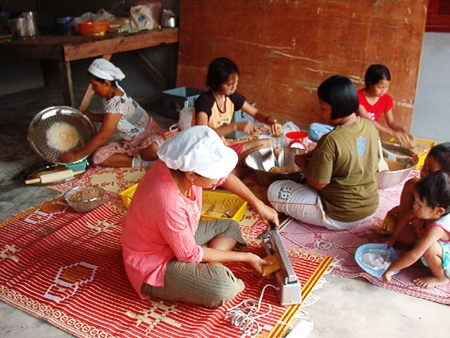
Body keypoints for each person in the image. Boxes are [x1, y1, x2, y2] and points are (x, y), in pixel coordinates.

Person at [121, 125, 280, 308]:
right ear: (192, 176)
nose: (217, 180)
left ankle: (207, 265)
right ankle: (208, 270)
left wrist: (258, 204)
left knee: (229, 226)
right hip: (154, 262)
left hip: (178, 238)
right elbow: (189, 254)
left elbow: (224, 177)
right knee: (222, 287)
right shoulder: (168, 201)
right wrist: (248, 258)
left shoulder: (178, 167)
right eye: (213, 175)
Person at [267, 75, 380, 230]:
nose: (321, 113)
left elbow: (318, 183)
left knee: (274, 189)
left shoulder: (332, 139)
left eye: (324, 108)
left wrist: (302, 163)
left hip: (341, 214)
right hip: (370, 206)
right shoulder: (369, 126)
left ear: (338, 107)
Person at [59, 58, 165, 168]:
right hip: (131, 142)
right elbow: (114, 119)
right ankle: (143, 163)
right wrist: (91, 116)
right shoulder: (111, 93)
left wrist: (78, 155)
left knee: (153, 149)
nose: (93, 89)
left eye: (95, 85)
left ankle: (145, 159)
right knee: (98, 157)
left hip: (149, 134)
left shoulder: (117, 103)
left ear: (106, 83)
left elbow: (102, 137)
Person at [195, 57, 283, 161]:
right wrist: (235, 126)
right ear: (216, 83)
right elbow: (202, 133)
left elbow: (255, 113)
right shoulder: (204, 101)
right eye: (229, 84)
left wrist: (270, 121)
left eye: (236, 83)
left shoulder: (231, 96)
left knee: (269, 143)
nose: (234, 88)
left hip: (224, 147)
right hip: (210, 151)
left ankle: (235, 166)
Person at [383, 170, 450, 289]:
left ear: (439, 211)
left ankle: (441, 278)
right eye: (415, 200)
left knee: (429, 247)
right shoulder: (426, 212)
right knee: (416, 221)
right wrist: (392, 237)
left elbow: (415, 254)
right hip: (438, 247)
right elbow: (405, 218)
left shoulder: (438, 229)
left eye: (419, 204)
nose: (414, 205)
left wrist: (391, 269)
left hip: (447, 259)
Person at [382, 142, 450, 248]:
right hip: (421, 225)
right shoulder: (415, 186)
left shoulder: (444, 202)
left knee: (426, 247)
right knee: (401, 235)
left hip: (436, 241)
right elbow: (408, 215)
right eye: (424, 165)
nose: (423, 171)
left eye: (430, 170)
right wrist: (402, 210)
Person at [357, 64, 414, 147]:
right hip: (355, 134)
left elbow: (391, 122)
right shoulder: (357, 96)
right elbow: (367, 120)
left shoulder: (386, 99)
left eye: (386, 87)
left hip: (369, 136)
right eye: (380, 87)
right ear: (370, 83)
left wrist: (402, 130)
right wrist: (391, 133)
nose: (383, 91)